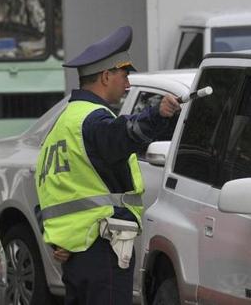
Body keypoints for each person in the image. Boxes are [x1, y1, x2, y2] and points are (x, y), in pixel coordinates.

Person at [34, 25, 180, 305]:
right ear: (105, 76)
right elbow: (123, 135)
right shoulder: (93, 120)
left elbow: (47, 191)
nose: (127, 84)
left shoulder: (61, 126)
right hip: (103, 248)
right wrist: (158, 113)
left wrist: (56, 239)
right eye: (124, 75)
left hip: (74, 253)